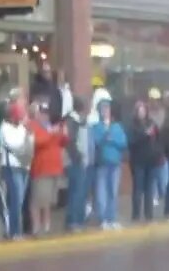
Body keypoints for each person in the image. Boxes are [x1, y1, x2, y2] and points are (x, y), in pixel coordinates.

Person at [28, 101, 66, 235]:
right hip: (41, 168)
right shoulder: (32, 125)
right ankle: (36, 227)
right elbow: (37, 142)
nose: (45, 116)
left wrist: (62, 133)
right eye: (42, 113)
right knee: (38, 200)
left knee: (48, 201)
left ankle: (47, 226)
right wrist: (51, 133)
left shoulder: (51, 127)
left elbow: (62, 142)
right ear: (36, 114)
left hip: (54, 168)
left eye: (46, 113)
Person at [89, 97, 127, 230]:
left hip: (115, 164)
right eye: (102, 108)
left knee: (113, 192)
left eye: (107, 108)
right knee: (102, 193)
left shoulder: (117, 126)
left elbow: (123, 143)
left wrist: (111, 140)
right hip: (102, 164)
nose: (105, 111)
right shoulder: (96, 127)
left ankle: (112, 218)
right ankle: (103, 219)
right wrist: (107, 137)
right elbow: (97, 142)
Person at [0, 99, 32, 239]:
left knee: (20, 200)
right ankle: (14, 232)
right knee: (16, 200)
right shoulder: (5, 128)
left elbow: (29, 144)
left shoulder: (21, 128)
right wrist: (26, 136)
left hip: (23, 166)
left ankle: (14, 230)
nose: (20, 119)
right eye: (18, 116)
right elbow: (15, 145)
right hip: (11, 167)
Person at [126, 100, 161, 223]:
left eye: (144, 110)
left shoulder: (151, 123)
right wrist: (144, 134)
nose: (142, 113)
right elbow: (131, 142)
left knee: (149, 188)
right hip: (138, 161)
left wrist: (158, 154)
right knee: (138, 188)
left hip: (151, 160)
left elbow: (158, 138)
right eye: (140, 111)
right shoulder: (132, 125)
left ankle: (149, 214)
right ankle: (135, 215)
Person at [64, 96, 91, 232]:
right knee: (77, 191)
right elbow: (70, 142)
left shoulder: (76, 121)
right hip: (75, 162)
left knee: (77, 191)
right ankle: (74, 221)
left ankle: (75, 220)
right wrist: (79, 157)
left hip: (78, 161)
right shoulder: (72, 121)